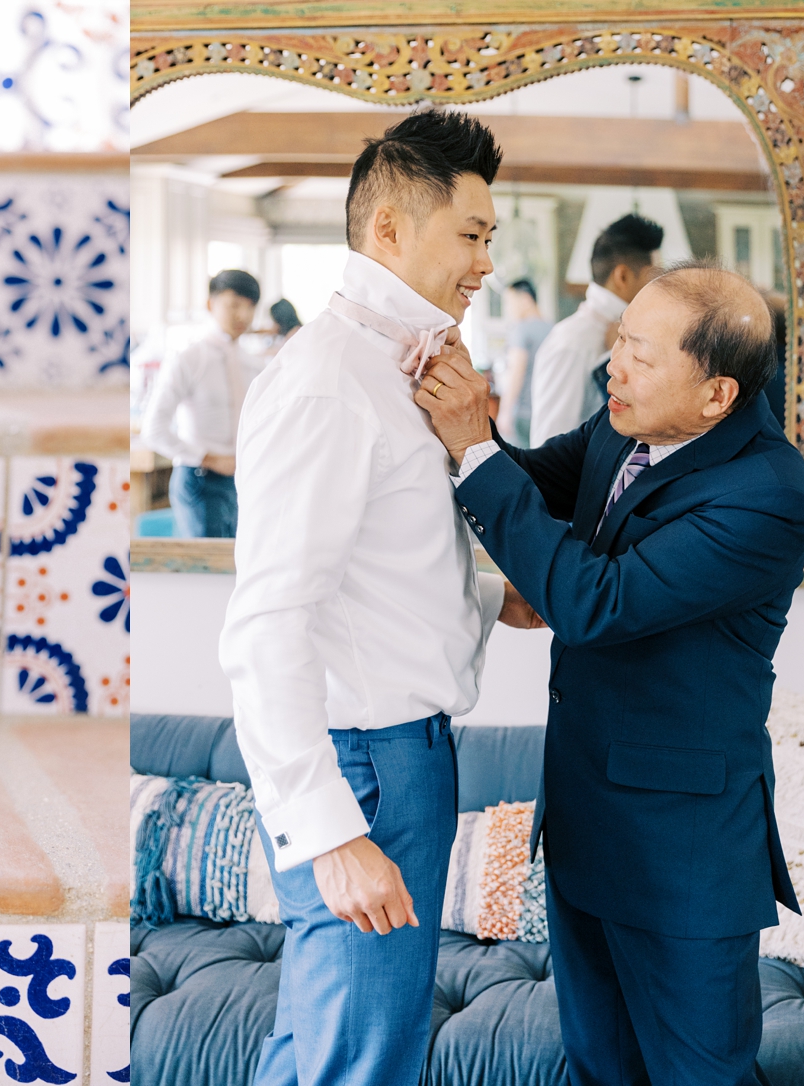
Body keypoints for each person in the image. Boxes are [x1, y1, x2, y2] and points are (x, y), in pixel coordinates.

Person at [414, 261, 804, 1086]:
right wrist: (454, 421)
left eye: (639, 354)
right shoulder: (623, 424)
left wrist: (476, 446)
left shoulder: (768, 493)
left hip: (685, 856)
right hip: (585, 825)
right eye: (617, 343)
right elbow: (520, 479)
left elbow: (594, 602)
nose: (613, 369)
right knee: (599, 1069)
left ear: (717, 395)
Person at [219, 109, 544, 1086]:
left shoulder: (401, 366)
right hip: (364, 768)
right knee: (351, 1064)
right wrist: (331, 834)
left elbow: (377, 567)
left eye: (493, 238)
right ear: (391, 230)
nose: (487, 261)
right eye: (473, 234)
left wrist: (490, 602)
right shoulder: (327, 382)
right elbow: (268, 623)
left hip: (407, 757)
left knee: (359, 1049)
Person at [141, 269, 264, 537]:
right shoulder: (188, 358)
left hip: (244, 480)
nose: (242, 315)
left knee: (238, 571)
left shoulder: (254, 364)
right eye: (233, 305)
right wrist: (209, 458)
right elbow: (153, 430)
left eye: (250, 306)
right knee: (206, 572)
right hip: (199, 479)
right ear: (211, 304)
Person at [530, 213, 664, 447]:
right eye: (652, 277)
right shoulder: (573, 341)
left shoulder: (641, 333)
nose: (657, 288)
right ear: (622, 276)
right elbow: (549, 445)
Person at [499, 277, 552, 445]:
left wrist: (504, 412)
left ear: (526, 299)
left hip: (522, 413)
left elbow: (516, 372)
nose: (508, 309)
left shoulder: (521, 329)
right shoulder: (554, 329)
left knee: (517, 466)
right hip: (545, 411)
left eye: (510, 302)